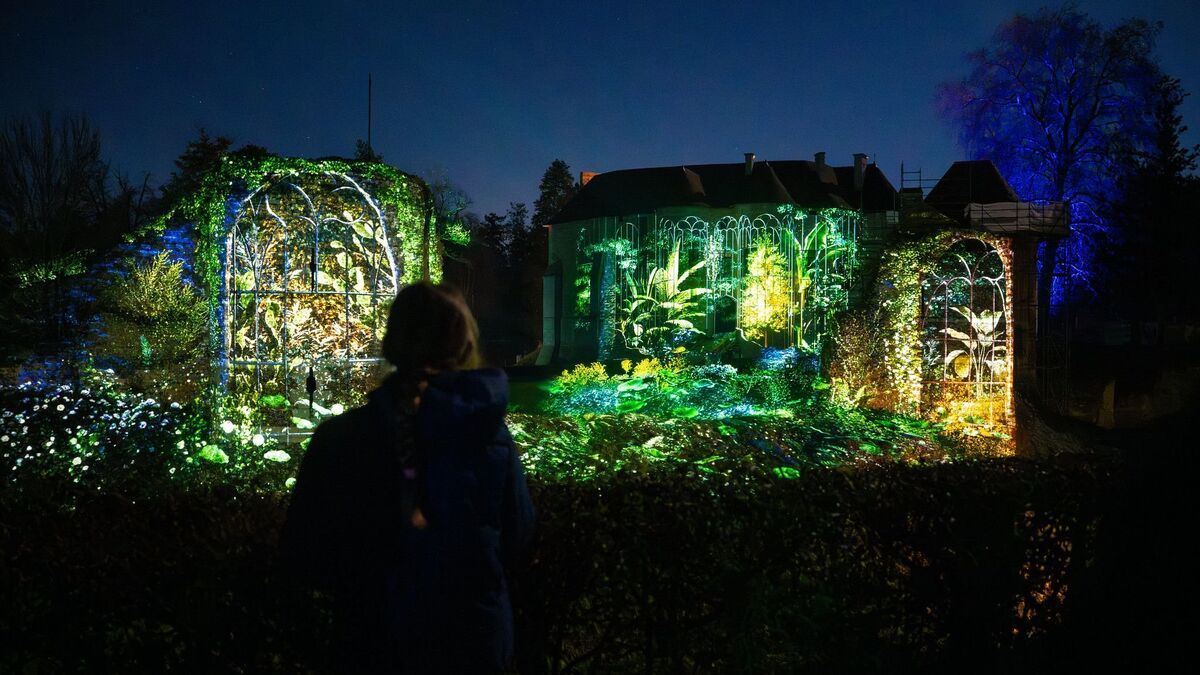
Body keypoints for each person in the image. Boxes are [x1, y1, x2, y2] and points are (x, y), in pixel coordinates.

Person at [280, 282, 535, 674]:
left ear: (393, 341)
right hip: (474, 640)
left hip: (374, 640)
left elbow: (303, 553)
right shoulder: (489, 436)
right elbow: (518, 535)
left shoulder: (341, 438)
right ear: (464, 344)